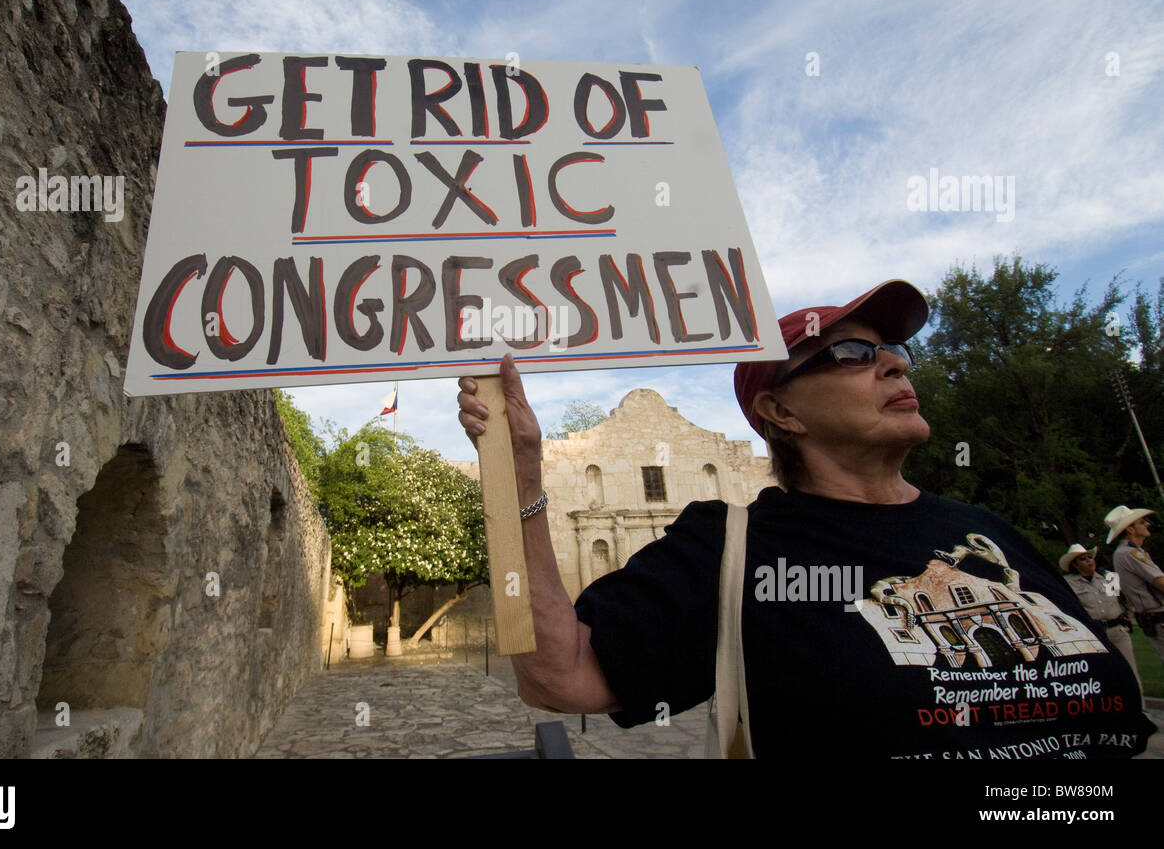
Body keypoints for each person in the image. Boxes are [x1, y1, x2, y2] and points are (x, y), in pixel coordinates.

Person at [456, 279, 1154, 758]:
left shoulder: (988, 533)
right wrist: (520, 477)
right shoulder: (732, 546)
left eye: (896, 350)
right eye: (851, 352)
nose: (891, 364)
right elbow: (560, 673)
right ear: (781, 411)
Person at [1060, 543, 1140, 692]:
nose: (1089, 560)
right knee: (1102, 673)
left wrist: (1130, 610)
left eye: (1090, 557)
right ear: (1075, 565)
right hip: (1094, 633)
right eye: (1083, 559)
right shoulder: (1069, 584)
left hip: (1118, 630)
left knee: (1130, 671)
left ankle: (1141, 709)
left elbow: (1122, 598)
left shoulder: (1108, 578)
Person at [1108, 505, 1164, 667]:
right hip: (1158, 615)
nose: (1147, 524)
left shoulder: (1127, 552)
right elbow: (1159, 582)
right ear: (1130, 529)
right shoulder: (1129, 553)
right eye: (1142, 522)